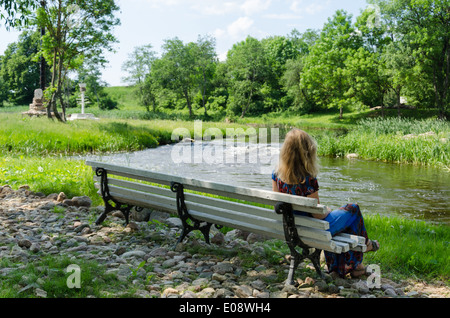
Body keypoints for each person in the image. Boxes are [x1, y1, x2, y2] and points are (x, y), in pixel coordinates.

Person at [272, 128, 379, 278]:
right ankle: (365, 245)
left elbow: (278, 204)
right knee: (352, 209)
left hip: (291, 229)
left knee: (344, 220)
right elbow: (318, 216)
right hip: (313, 229)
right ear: (307, 153)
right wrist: (326, 210)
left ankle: (345, 267)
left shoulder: (276, 175)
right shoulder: (307, 180)